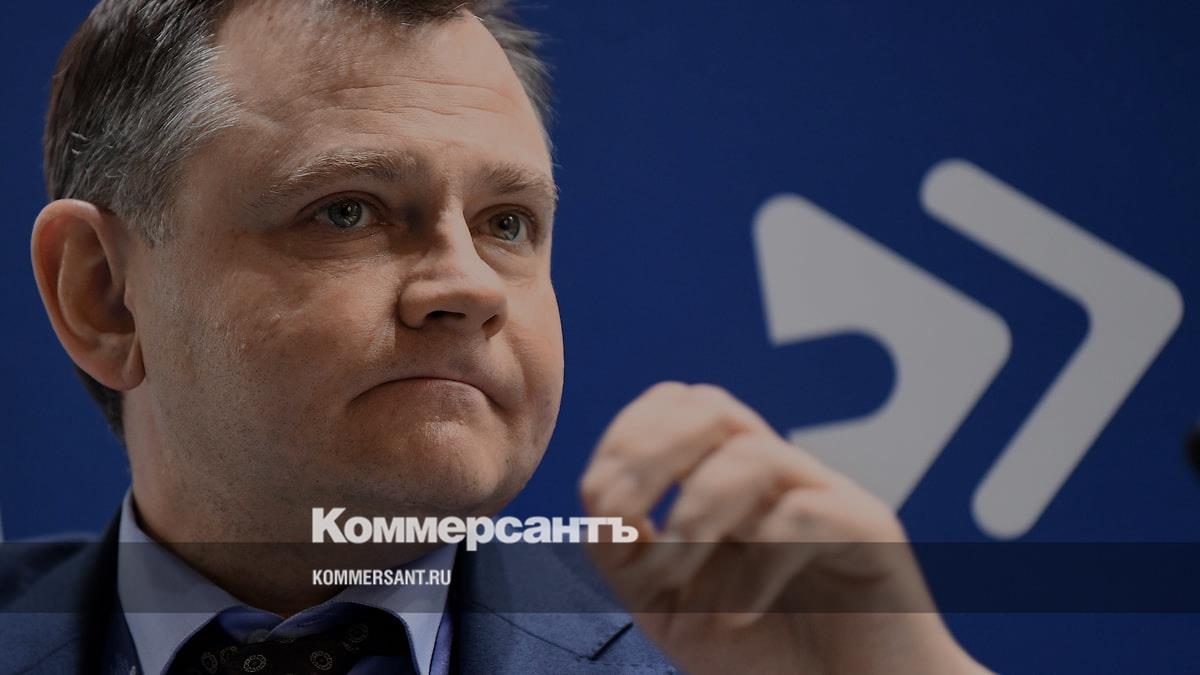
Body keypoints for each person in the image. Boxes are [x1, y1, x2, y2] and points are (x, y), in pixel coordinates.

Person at [3, 0, 988, 673]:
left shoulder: (736, 658)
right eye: (347, 211)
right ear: (105, 295)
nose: (471, 286)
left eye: (507, 223)